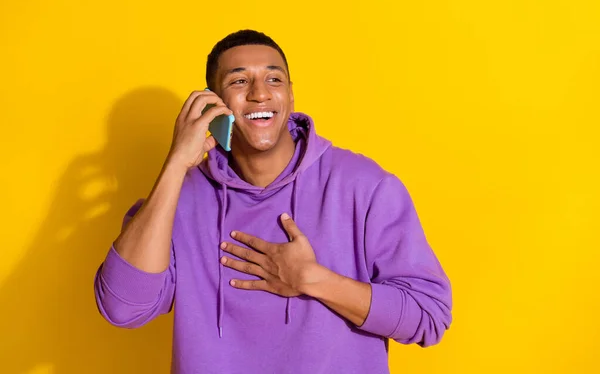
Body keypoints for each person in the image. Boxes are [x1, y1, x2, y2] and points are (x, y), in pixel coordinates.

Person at [93, 29, 452, 374]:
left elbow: (429, 315)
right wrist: (175, 165)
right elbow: (123, 308)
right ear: (212, 103)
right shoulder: (177, 200)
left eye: (274, 79)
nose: (260, 93)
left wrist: (314, 280)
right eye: (238, 81)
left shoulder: (363, 186)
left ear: (291, 96)